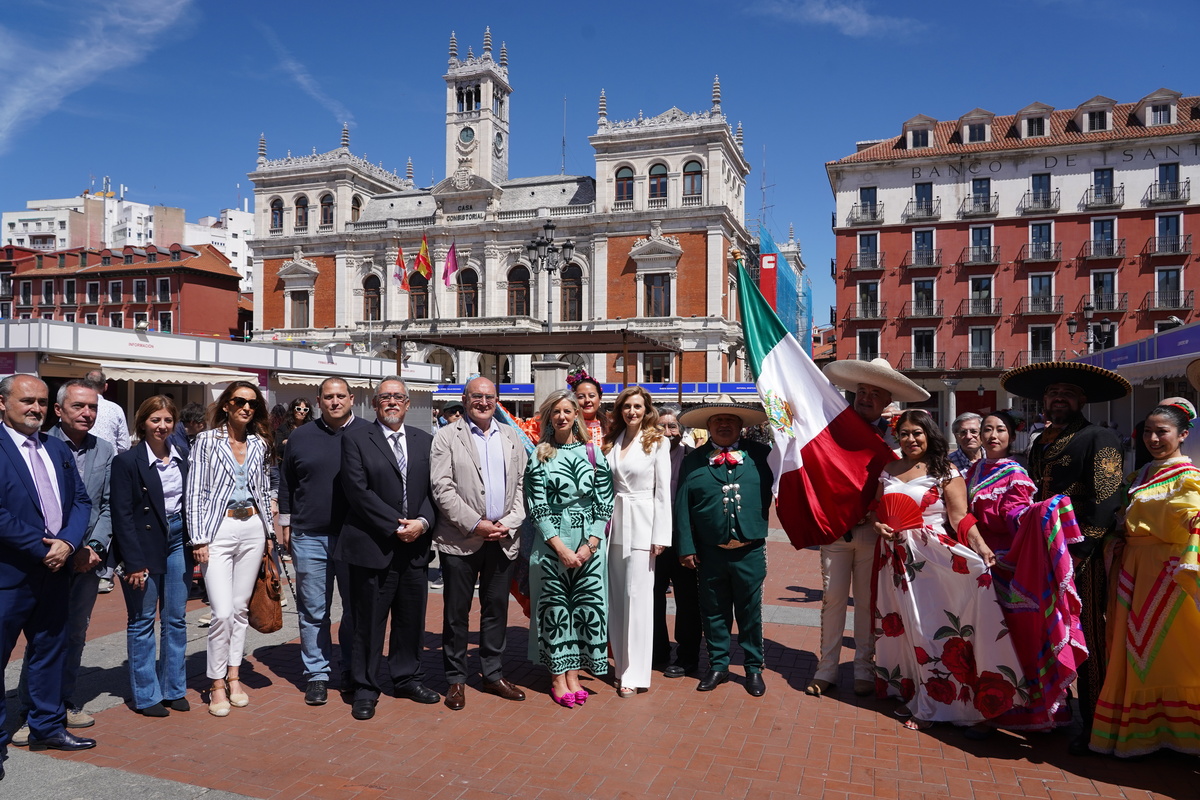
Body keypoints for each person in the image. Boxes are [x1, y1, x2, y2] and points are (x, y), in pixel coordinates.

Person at [1001, 361, 1129, 755]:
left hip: (1080, 554)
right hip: (1043, 550)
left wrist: (1082, 549)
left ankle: (1094, 723)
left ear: (1082, 400)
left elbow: (1107, 499)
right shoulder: (1040, 443)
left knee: (1085, 631)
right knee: (1043, 629)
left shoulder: (1100, 437)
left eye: (1067, 393)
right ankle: (1051, 708)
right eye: (1053, 392)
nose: (1059, 398)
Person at [872, 409, 1023, 732]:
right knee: (908, 627)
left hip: (934, 560)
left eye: (917, 433)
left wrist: (980, 547)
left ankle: (936, 704)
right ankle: (916, 692)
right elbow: (876, 511)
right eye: (905, 434)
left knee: (932, 628)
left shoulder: (947, 471)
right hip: (895, 561)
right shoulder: (888, 469)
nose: (911, 439)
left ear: (929, 435)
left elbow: (960, 518)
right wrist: (879, 525)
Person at [810, 357, 927, 697]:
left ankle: (864, 667)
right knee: (832, 601)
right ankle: (826, 669)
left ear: (887, 400)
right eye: (861, 391)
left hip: (874, 533)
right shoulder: (831, 431)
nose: (865, 398)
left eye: (874, 393)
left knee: (866, 602)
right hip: (837, 532)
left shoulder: (898, 439)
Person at [1090, 401, 1200, 757]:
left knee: (1169, 650)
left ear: (1183, 435)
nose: (1153, 438)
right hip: (1134, 570)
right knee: (1133, 648)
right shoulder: (1138, 476)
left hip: (1168, 574)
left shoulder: (1189, 477)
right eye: (1147, 432)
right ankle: (1143, 731)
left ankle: (1177, 732)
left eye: (1162, 432)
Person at [965, 411, 1087, 732]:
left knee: (1012, 636)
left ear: (1011, 437)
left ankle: (1023, 709)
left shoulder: (1014, 474)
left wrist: (1037, 514)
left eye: (1000, 430)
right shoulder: (973, 470)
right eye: (987, 429)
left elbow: (1014, 514)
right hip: (974, 562)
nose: (993, 435)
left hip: (1003, 565)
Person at [0, 374, 96, 773]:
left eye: (41, 401)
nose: (36, 408)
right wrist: (44, 546)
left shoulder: (56, 448)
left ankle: (45, 726)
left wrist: (68, 544)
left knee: (49, 652)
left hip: (56, 570)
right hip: (10, 575)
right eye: (27, 401)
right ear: (2, 403)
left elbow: (81, 501)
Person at [335, 377, 438, 720]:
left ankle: (406, 677)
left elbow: (433, 492)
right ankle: (366, 686)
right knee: (368, 621)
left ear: (408, 404)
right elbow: (357, 491)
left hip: (415, 547)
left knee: (411, 619)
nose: (392, 402)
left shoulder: (425, 441)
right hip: (373, 545)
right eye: (385, 397)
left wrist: (421, 523)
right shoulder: (355, 438)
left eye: (398, 397)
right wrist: (397, 526)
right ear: (375, 403)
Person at [431, 377, 529, 711]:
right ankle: (456, 680)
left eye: (489, 397)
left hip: (503, 539)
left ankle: (492, 673)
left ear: (497, 400)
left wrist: (509, 522)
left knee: (496, 611)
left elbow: (521, 486)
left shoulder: (511, 436)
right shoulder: (447, 435)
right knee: (457, 613)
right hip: (461, 539)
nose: (483, 402)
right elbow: (442, 487)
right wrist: (476, 523)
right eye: (477, 396)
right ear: (465, 399)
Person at [186, 381, 275, 717]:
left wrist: (268, 533)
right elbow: (195, 490)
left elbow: (264, 490)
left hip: (252, 526)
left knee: (239, 609)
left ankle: (234, 676)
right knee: (221, 611)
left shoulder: (259, 443)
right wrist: (199, 538)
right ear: (226, 404)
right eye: (239, 401)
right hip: (218, 529)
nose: (246, 408)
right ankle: (215, 682)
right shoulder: (207, 441)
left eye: (252, 403)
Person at [675, 396, 773, 697]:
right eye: (718, 420)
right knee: (714, 612)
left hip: (750, 549)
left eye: (730, 419)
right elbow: (682, 507)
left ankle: (753, 668)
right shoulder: (693, 460)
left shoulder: (763, 455)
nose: (724, 424)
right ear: (708, 425)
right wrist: (686, 547)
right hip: (710, 552)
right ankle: (718, 665)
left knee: (749, 612)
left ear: (741, 425)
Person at [524, 390, 614, 707]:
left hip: (588, 544)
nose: (562, 416)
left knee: (584, 610)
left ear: (576, 414)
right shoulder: (540, 455)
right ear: (549, 417)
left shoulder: (593, 453)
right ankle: (557, 677)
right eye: (556, 412)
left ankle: (574, 674)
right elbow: (536, 507)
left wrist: (591, 544)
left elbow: (604, 501)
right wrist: (560, 546)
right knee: (556, 611)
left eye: (567, 410)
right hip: (552, 544)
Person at [278, 378, 363, 705]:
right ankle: (317, 673)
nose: (335, 401)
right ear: (319, 400)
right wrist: (285, 524)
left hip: (355, 536)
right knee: (313, 610)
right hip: (309, 535)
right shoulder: (300, 436)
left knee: (355, 609)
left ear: (351, 399)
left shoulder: (367, 433)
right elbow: (287, 482)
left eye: (341, 396)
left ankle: (352, 667)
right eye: (328, 397)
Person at [111, 396, 190, 717]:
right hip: (143, 544)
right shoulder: (127, 462)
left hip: (177, 539)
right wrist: (133, 561)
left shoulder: (182, 456)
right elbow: (122, 514)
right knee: (143, 620)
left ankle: (173, 688)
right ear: (143, 422)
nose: (162, 426)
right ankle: (146, 695)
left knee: (176, 618)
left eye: (168, 420)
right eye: (155, 420)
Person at [602, 386, 671, 697]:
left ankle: (637, 672)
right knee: (616, 598)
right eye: (627, 406)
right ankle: (620, 665)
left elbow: (663, 492)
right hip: (614, 525)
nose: (632, 411)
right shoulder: (612, 442)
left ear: (647, 410)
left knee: (638, 600)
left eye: (638, 406)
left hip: (643, 525)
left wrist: (661, 535)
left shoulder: (658, 441)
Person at [652, 406, 700, 678]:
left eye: (672, 426)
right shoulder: (645, 456)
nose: (668, 432)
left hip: (684, 541)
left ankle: (687, 656)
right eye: (661, 426)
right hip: (654, 542)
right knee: (653, 599)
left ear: (681, 430)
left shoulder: (694, 458)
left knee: (688, 601)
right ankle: (658, 651)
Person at [83, 370, 130, 454]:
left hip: (82, 461)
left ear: (84, 385)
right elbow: (124, 446)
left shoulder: (77, 407)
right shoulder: (116, 409)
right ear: (105, 386)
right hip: (110, 462)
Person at [568, 369, 608, 446]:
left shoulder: (611, 428)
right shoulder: (568, 428)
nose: (587, 400)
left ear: (600, 398)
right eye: (581, 397)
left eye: (592, 396)